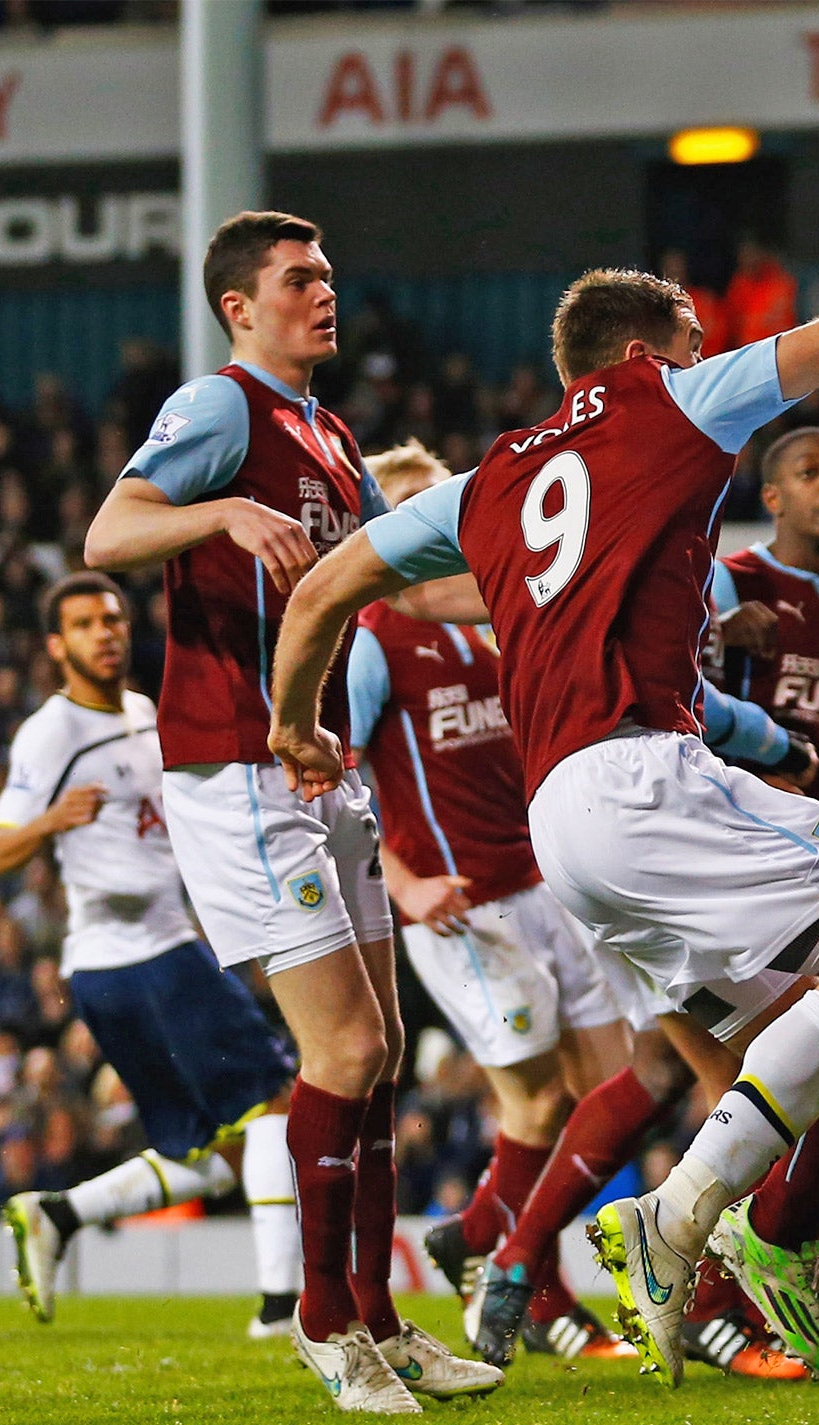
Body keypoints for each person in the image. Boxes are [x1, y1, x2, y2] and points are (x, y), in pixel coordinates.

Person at [266, 259, 819, 1425]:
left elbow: (325, 583)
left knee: (790, 1071)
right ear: (642, 354)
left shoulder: (488, 486)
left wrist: (294, 723)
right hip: (647, 785)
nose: (703, 354)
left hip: (568, 823)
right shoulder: (667, 402)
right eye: (691, 338)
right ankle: (725, 1222)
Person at [84, 210, 499, 1413]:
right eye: (299, 280)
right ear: (239, 307)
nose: (326, 295)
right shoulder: (224, 410)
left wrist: (541, 606)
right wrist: (217, 511)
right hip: (232, 765)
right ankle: (323, 1322)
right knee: (347, 1049)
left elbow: (404, 582)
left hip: (316, 763)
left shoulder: (326, 429)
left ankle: (375, 1311)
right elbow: (111, 532)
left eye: (328, 276)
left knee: (385, 1056)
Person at [346, 442, 637, 1361]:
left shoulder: (496, 616)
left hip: (548, 883)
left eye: (438, 501)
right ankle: (520, 1279)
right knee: (538, 1104)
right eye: (407, 506)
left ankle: (484, 1244)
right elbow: (337, 780)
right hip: (461, 902)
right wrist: (400, 882)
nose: (429, 521)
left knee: (615, 1087)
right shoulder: (372, 639)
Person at [0, 573, 300, 1338]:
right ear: (57, 646)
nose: (106, 633)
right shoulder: (50, 733)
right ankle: (282, 1307)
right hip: (143, 955)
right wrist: (52, 821)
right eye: (86, 624)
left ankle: (59, 1213)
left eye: (114, 618)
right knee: (275, 1101)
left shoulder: (141, 713)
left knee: (209, 1150)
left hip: (137, 959)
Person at [707, 425, 819, 808]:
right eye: (810, 472)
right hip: (745, 826)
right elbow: (681, 698)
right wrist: (716, 634)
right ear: (772, 498)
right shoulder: (729, 580)